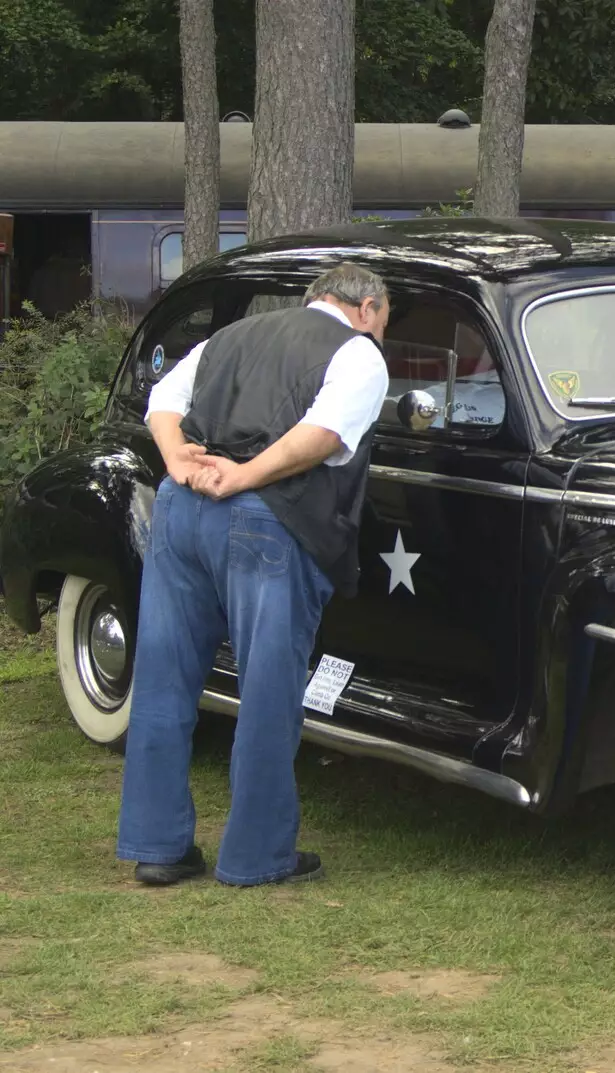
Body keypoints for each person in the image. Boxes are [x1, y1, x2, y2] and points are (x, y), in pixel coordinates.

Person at [116, 263, 390, 887]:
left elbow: (164, 400)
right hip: (268, 521)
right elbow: (320, 437)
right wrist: (243, 477)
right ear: (367, 306)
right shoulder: (358, 354)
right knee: (267, 690)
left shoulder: (232, 336)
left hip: (182, 511)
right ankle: (256, 856)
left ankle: (156, 848)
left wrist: (176, 458)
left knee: (162, 677)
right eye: (383, 323)